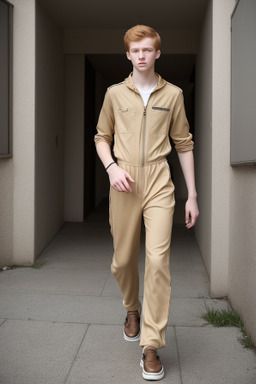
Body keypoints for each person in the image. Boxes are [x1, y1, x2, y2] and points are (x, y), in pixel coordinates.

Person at [94, 25, 199, 381]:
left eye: (147, 50)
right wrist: (111, 168)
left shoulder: (173, 95)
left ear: (157, 54)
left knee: (157, 261)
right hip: (123, 181)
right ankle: (131, 308)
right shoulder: (113, 94)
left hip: (158, 182)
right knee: (123, 260)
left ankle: (151, 345)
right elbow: (101, 137)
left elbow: (184, 143)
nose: (141, 55)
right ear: (128, 55)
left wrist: (193, 196)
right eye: (135, 50)